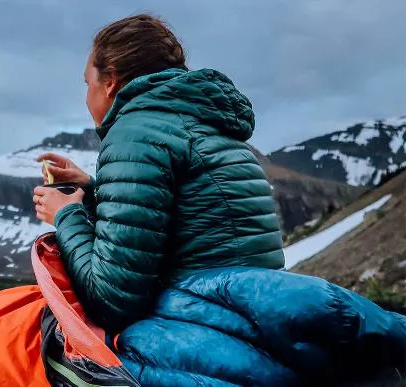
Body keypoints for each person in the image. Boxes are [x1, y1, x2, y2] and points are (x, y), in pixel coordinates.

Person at [32, 14, 283, 333]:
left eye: (87, 83)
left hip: (206, 327)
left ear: (109, 82)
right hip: (257, 316)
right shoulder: (201, 120)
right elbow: (186, 219)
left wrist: (66, 214)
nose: (86, 96)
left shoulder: (135, 134)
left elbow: (112, 301)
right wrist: (93, 188)